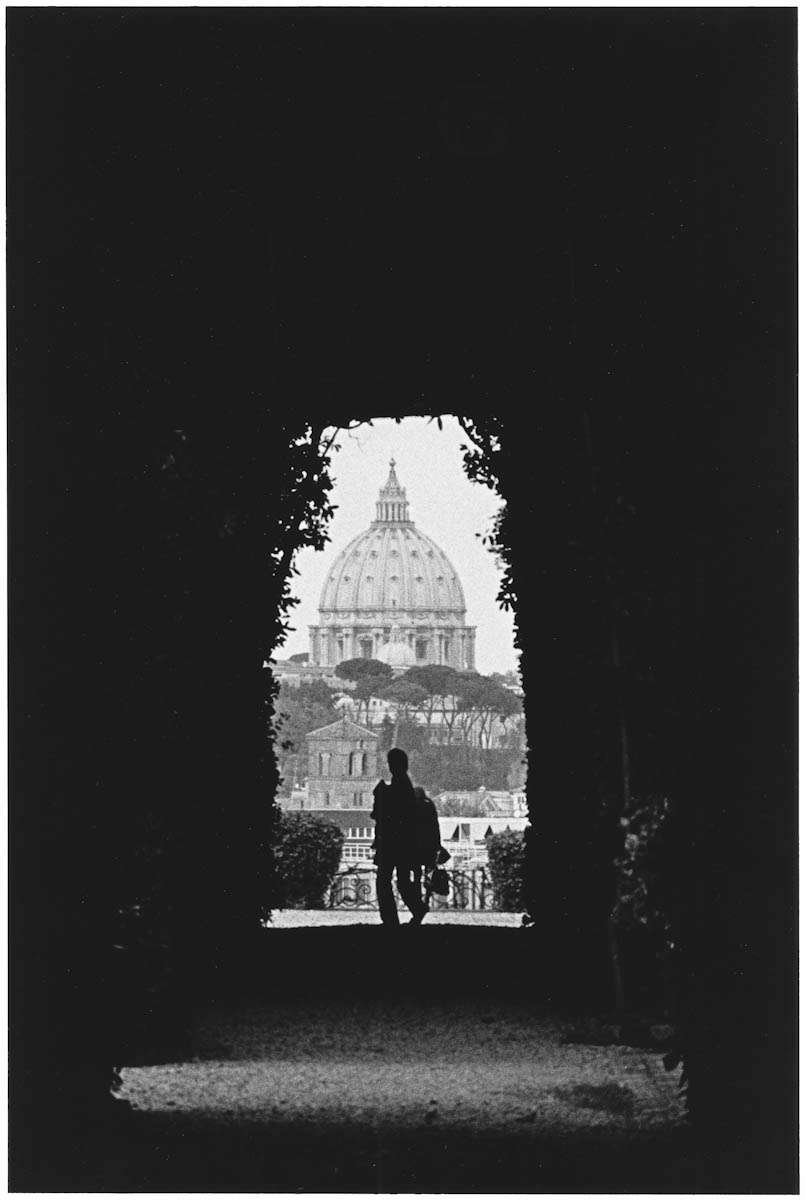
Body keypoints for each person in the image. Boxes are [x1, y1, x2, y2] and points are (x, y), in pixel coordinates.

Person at [371, 747, 436, 927]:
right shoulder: (405, 784)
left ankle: (391, 919)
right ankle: (416, 909)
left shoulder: (398, 785)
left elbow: (388, 813)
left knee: (384, 880)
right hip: (404, 843)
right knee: (402, 881)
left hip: (392, 842)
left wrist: (381, 793)